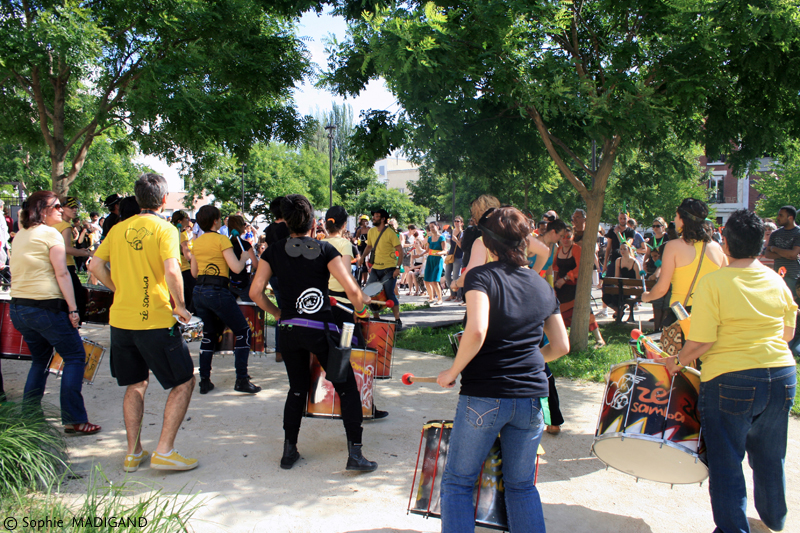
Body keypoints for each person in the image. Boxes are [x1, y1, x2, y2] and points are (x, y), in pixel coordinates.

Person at [660, 209, 796, 533]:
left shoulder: (714, 283)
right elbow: (788, 334)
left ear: (726, 243)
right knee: (770, 455)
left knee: (726, 461)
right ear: (761, 243)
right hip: (781, 375)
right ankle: (774, 519)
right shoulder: (776, 280)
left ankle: (733, 529)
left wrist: (676, 361)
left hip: (730, 380)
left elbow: (702, 341)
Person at [435, 206, 569, 532]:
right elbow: (561, 346)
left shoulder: (481, 276)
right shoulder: (541, 285)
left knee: (458, 482)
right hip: (531, 400)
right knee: (521, 486)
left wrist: (453, 371)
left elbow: (476, 331)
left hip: (485, 394)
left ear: (489, 243)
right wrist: (528, 361)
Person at [249, 194, 378, 472]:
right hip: (321, 331)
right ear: (312, 224)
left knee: (297, 388)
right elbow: (353, 290)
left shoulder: (272, 251)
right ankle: (355, 454)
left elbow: (255, 293)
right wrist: (361, 310)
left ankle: (289, 451)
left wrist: (277, 313)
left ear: (287, 223)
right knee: (346, 388)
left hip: (289, 331)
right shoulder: (324, 250)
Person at [89, 173, 197, 471]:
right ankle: (164, 450)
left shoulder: (118, 229)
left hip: (121, 320)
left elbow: (95, 265)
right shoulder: (166, 229)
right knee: (185, 381)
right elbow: (172, 271)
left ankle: (133, 452)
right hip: (155, 320)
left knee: (135, 384)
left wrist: (118, 288)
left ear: (137, 200)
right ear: (164, 199)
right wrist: (181, 306)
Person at [10, 191, 100, 435]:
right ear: (42, 210)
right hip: (46, 307)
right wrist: (73, 308)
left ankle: (30, 416)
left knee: (40, 360)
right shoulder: (50, 233)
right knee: (75, 357)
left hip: (19, 308)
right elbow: (62, 273)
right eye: (57, 206)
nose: (62, 209)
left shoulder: (21, 234)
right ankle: (74, 419)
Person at [323, 206, 389, 420]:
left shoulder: (319, 243)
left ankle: (328, 402)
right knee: (358, 355)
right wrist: (361, 302)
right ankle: (363, 406)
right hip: (342, 306)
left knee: (330, 354)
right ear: (344, 225)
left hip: (323, 306)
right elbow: (345, 276)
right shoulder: (344, 244)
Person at [191, 205, 260, 395]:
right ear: (215, 221)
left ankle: (204, 380)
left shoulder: (197, 242)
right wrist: (244, 257)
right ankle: (242, 379)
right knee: (243, 332)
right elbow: (236, 268)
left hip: (199, 291)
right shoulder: (222, 240)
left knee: (208, 335)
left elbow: (194, 272)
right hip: (217, 291)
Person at [642, 198, 726, 336]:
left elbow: (662, 288)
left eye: (676, 216)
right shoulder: (717, 248)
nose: (674, 220)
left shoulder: (673, 247)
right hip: (711, 316)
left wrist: (647, 296)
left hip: (682, 316)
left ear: (683, 220)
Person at [553, 225, 605, 347]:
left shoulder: (576, 249)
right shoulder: (559, 249)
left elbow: (580, 268)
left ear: (573, 237)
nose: (565, 240)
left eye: (568, 237)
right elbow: (555, 268)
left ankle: (599, 339)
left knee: (586, 311)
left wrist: (565, 279)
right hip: (560, 288)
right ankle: (565, 341)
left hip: (574, 287)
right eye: (563, 237)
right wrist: (554, 285)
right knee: (559, 314)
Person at [358, 208, 403, 328]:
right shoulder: (371, 231)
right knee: (369, 293)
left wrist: (397, 268)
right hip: (375, 268)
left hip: (390, 268)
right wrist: (362, 257)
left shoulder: (390, 233)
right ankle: (376, 318)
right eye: (374, 216)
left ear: (383, 219)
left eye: (376, 216)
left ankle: (397, 320)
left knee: (389, 293)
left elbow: (400, 251)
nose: (373, 218)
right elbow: (369, 246)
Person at [763, 205, 800, 351]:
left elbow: (793, 255)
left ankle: (792, 338)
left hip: (794, 276)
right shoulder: (775, 234)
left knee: (791, 307)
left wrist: (775, 249)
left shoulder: (798, 233)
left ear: (790, 217)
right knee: (778, 307)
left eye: (781, 215)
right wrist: (786, 253)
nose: (778, 218)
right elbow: (767, 254)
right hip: (778, 276)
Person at [50, 196, 90, 323]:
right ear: (61, 208)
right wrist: (87, 253)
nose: (75, 210)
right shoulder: (65, 226)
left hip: (52, 266)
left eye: (76, 207)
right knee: (79, 301)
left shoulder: (51, 224)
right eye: (71, 207)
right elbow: (66, 249)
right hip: (66, 266)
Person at [264, 197, 289, 362]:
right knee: (288, 312)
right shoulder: (287, 228)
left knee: (280, 311)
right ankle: (284, 349)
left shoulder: (269, 229)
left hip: (272, 272)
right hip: (285, 273)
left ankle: (280, 351)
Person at [227, 215, 257, 302]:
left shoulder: (226, 244)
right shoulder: (245, 245)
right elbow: (256, 264)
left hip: (227, 281)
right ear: (240, 226)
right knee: (250, 306)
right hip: (242, 282)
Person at [171, 210, 195, 311]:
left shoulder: (170, 232)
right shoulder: (181, 234)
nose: (189, 220)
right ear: (180, 221)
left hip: (174, 268)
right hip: (184, 269)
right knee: (191, 299)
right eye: (186, 218)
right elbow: (187, 255)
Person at [423, 222, 446, 305]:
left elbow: (445, 250)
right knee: (426, 280)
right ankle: (431, 298)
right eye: (430, 227)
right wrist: (419, 255)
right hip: (430, 259)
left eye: (433, 227)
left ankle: (440, 299)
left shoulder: (441, 238)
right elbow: (427, 250)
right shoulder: (429, 238)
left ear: (437, 227)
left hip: (438, 260)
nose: (431, 229)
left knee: (435, 281)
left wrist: (439, 253)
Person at [444, 217, 464, 301]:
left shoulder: (463, 233)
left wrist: (456, 240)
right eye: (455, 221)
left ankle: (459, 296)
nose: (456, 222)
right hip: (451, 255)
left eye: (458, 221)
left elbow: (462, 247)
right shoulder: (452, 231)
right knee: (447, 275)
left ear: (462, 223)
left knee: (456, 276)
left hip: (458, 256)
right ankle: (452, 294)